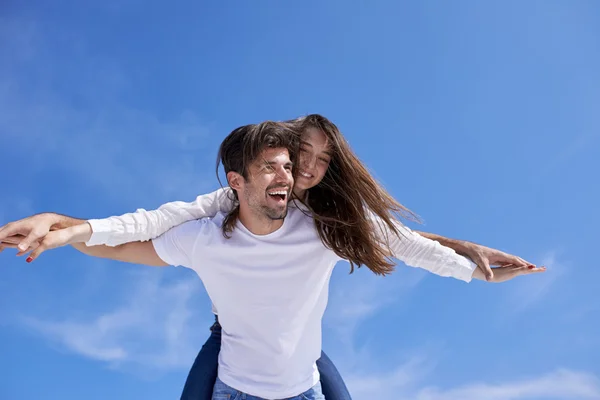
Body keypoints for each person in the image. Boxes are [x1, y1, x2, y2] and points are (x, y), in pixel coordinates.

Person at [0, 118, 545, 400]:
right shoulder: (210, 225)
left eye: (313, 163)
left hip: (301, 377)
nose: (299, 172)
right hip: (235, 372)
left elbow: (402, 241)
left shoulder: (328, 225)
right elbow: (139, 231)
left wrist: (472, 264)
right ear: (238, 182)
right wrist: (65, 227)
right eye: (289, 160)